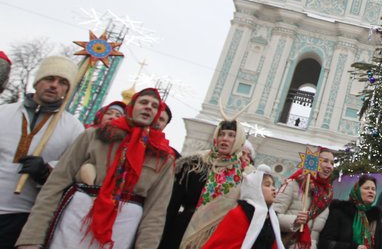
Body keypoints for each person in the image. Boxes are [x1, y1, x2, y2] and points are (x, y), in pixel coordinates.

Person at [16, 88, 175, 249]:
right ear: (131, 107)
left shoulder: (162, 157)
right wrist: (31, 239)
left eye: (154, 106)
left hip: (122, 230)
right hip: (75, 222)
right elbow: (54, 185)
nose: (149, 107)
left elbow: (156, 213)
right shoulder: (94, 136)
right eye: (143, 102)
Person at [0, 55, 83, 249]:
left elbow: (73, 170)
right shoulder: (4, 112)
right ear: (37, 82)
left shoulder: (73, 128)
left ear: (67, 90)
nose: (54, 85)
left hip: (25, 216)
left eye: (62, 82)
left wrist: (46, 171)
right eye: (49, 78)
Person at [159, 119, 249, 249]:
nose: (225, 139)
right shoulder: (195, 164)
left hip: (219, 237)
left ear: (239, 139)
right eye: (221, 134)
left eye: (231, 135)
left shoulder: (245, 173)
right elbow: (173, 204)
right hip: (183, 231)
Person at [200, 170, 284, 249]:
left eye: (273, 185)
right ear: (255, 189)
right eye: (267, 185)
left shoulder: (272, 220)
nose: (273, 188)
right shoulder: (238, 214)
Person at [273, 147, 336, 249]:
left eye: (332, 163)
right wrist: (294, 221)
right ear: (314, 162)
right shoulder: (293, 184)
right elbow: (271, 216)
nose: (329, 166)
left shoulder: (326, 196)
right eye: (325, 161)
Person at [318, 175, 382, 249]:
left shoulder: (375, 217)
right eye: (366, 188)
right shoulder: (340, 212)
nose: (371, 191)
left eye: (373, 189)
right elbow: (325, 243)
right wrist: (354, 247)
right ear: (357, 191)